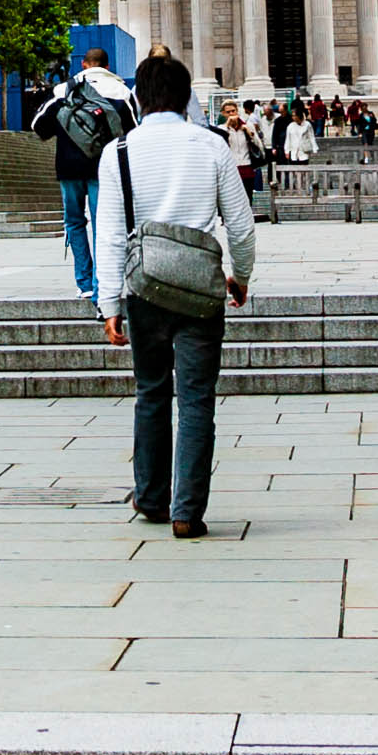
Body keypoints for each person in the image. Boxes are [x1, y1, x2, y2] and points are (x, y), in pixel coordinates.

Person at [92, 54, 255, 537]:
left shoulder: (117, 152)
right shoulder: (212, 146)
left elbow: (110, 236)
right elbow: (242, 229)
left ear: (138, 98)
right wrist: (239, 276)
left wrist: (109, 303)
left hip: (145, 290)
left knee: (151, 392)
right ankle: (187, 512)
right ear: (187, 97)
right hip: (202, 291)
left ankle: (151, 497)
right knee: (198, 399)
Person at [29, 47, 138, 301]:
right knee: (103, 226)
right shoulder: (121, 91)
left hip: (68, 169)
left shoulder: (64, 89)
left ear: (84, 64)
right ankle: (102, 285)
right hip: (105, 170)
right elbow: (134, 133)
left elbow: (38, 126)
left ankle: (84, 282)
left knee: (75, 222)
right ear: (107, 66)